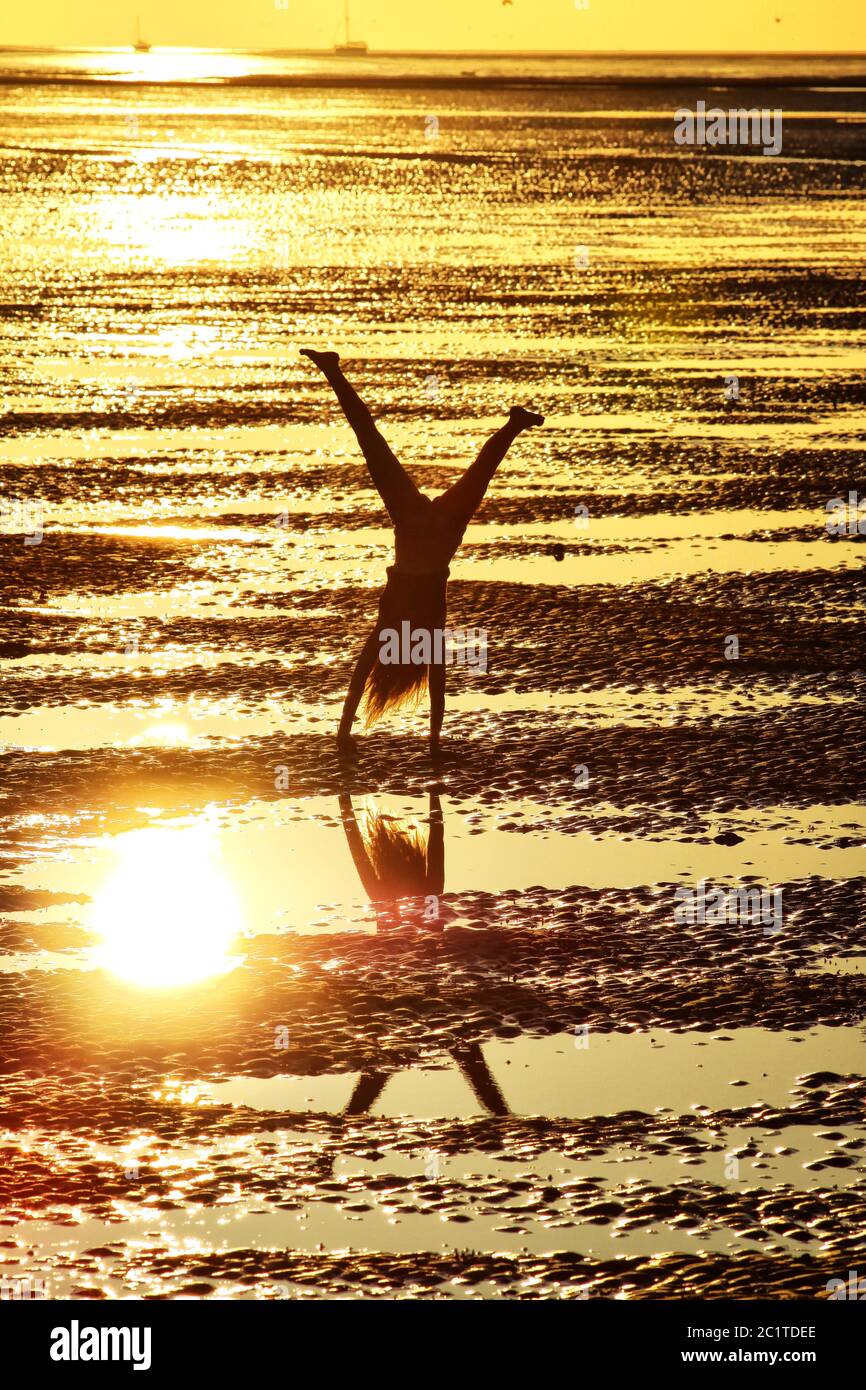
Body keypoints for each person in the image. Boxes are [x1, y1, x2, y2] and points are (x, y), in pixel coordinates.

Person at [301, 349, 543, 753]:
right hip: (416, 529)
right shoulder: (397, 635)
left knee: (469, 471)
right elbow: (365, 679)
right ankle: (331, 370)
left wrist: (425, 739)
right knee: (374, 445)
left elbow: (427, 689)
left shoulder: (412, 638)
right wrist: (348, 730)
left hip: (435, 534)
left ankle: (514, 424)